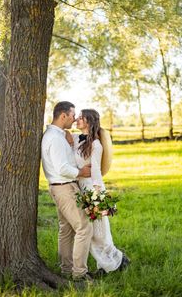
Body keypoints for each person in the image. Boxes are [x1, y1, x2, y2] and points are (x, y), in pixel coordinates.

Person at [70, 108, 130, 276]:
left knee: (99, 231)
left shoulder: (96, 144)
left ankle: (115, 262)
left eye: (81, 118)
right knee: (89, 230)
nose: (77, 120)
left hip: (92, 188)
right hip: (80, 188)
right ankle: (107, 263)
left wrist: (97, 195)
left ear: (89, 121)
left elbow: (96, 169)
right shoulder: (76, 139)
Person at [41, 101, 93, 282]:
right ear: (63, 115)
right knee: (84, 228)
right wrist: (81, 173)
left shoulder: (57, 136)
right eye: (72, 115)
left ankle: (66, 269)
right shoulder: (54, 138)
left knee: (67, 230)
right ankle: (79, 274)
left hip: (63, 187)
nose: (74, 118)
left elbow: (66, 159)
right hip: (64, 188)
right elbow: (62, 167)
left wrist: (71, 144)